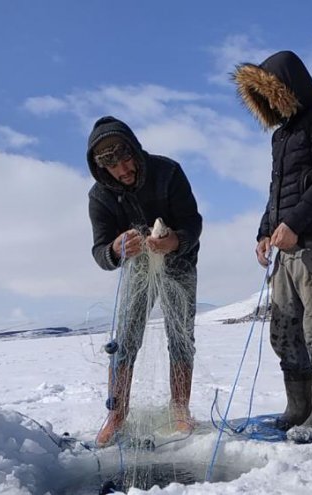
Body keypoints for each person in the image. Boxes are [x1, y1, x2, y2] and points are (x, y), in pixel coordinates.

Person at [232, 50, 312, 443]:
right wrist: (265, 231)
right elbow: (276, 190)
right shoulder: (282, 136)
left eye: (271, 95)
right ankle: (298, 408)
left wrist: (295, 224)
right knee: (285, 333)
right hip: (286, 251)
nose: (269, 105)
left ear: (285, 88)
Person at [86, 116, 203, 447]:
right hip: (137, 269)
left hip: (179, 262)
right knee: (124, 338)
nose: (123, 170)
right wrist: (115, 248)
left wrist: (174, 242)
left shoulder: (168, 172)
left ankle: (179, 407)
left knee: (181, 335)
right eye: (113, 167)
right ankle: (117, 415)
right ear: (101, 169)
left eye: (126, 160)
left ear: (135, 151)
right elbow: (99, 251)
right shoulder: (99, 197)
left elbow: (193, 223)